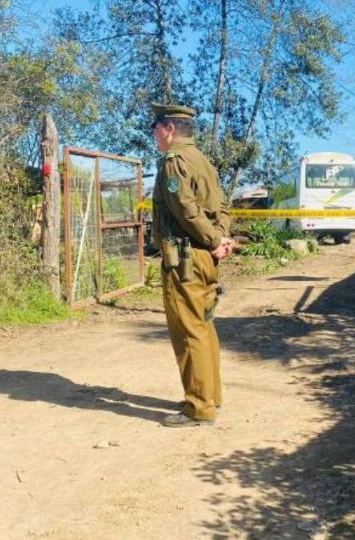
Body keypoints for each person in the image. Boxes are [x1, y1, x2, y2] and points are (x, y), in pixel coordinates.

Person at [150, 103, 235, 428]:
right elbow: (223, 204)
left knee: (189, 331)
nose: (155, 135)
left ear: (169, 129)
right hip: (204, 259)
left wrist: (214, 241)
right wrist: (220, 238)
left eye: (156, 128)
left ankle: (198, 407)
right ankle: (210, 396)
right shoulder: (203, 161)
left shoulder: (174, 163)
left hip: (185, 259)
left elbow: (185, 210)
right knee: (203, 325)